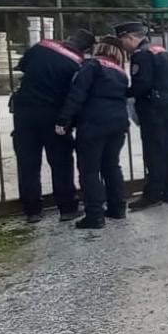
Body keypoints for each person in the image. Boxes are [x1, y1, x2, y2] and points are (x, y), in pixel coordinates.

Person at [10, 29, 95, 223]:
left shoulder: (41, 46)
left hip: (25, 114)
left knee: (28, 164)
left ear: (68, 38)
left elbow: (22, 67)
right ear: (87, 49)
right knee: (61, 163)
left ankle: (32, 211)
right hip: (54, 116)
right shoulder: (78, 64)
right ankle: (67, 208)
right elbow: (75, 93)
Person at [56, 37, 131, 229]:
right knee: (111, 166)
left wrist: (64, 120)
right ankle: (118, 208)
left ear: (100, 48)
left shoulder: (92, 65)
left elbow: (77, 94)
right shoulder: (120, 71)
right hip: (118, 124)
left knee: (89, 170)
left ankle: (95, 216)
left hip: (94, 124)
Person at [115, 21, 168, 208]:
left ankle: (153, 194)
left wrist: (123, 92)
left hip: (153, 106)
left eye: (123, 41)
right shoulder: (160, 49)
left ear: (130, 37)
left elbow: (141, 86)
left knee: (154, 151)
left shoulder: (141, 55)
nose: (123, 46)